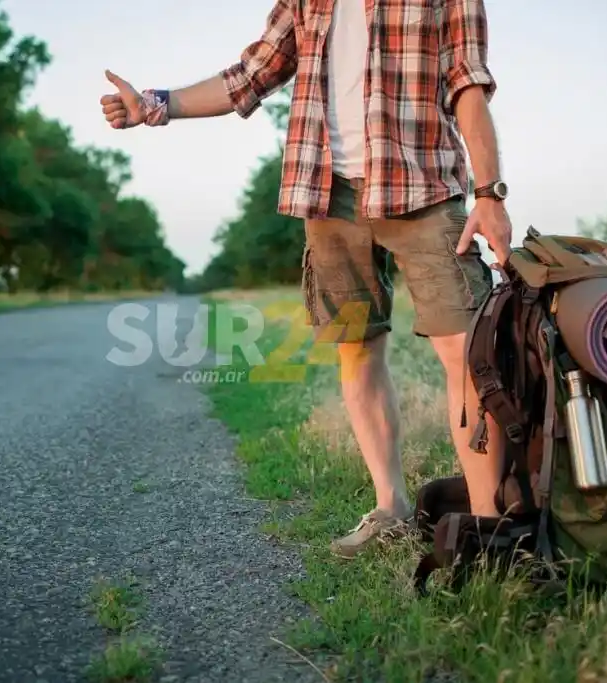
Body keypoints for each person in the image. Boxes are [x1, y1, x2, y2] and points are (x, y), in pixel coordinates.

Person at [100, 0, 513, 558]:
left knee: (466, 352)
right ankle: (389, 508)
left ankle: (488, 530)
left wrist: (489, 194)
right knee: (356, 347)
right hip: (327, 194)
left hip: (422, 186)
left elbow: (468, 84)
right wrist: (156, 104)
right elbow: (250, 75)